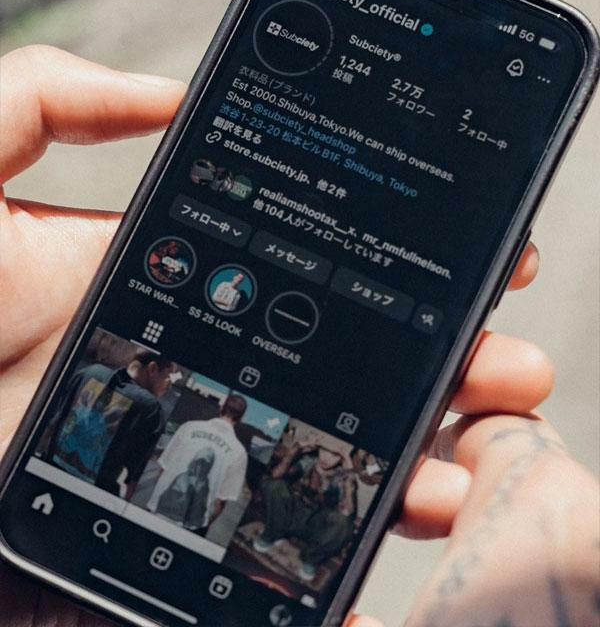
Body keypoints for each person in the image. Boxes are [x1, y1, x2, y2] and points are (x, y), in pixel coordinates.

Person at [0, 46, 597, 626]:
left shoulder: (95, 378)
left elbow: (142, 468)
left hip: (57, 521)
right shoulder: (209, 438)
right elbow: (204, 497)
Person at [44, 351, 174, 497]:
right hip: (89, 498)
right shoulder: (150, 408)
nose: (169, 384)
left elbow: (50, 426)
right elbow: (134, 479)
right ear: (153, 368)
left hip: (46, 477)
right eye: (169, 375)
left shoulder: (90, 372)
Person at [254, 436, 357, 582]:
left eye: (335, 455)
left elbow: (347, 512)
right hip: (290, 515)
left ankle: (311, 559)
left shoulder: (341, 477)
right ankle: (271, 535)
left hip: (315, 526)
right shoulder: (308, 461)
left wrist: (350, 474)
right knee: (274, 485)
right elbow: (275, 476)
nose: (326, 458)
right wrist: (295, 449)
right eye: (324, 450)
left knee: (344, 523)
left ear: (341, 458)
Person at [146, 393, 249, 536]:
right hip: (190, 529)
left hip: (157, 515)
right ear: (241, 418)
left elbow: (164, 469)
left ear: (221, 408)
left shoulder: (188, 427)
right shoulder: (239, 452)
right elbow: (220, 502)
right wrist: (202, 527)